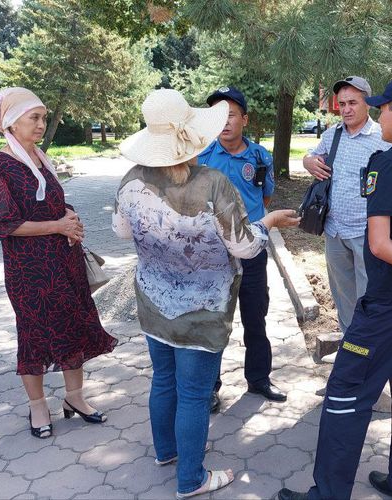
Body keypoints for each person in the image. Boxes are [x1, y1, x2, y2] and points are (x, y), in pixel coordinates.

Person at [277, 76, 392, 500]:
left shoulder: (388, 161)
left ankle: (328, 494)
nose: (379, 115)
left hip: (386, 303)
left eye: (383, 108)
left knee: (346, 390)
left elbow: (378, 243)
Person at [113, 89, 300, 498]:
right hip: (204, 308)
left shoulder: (131, 180)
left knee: (163, 380)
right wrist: (267, 222)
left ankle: (167, 453)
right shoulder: (212, 184)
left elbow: (122, 231)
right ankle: (191, 479)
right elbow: (246, 248)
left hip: (153, 299)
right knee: (194, 394)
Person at [0, 87, 117, 439]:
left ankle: (75, 398)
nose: (42, 124)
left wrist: (70, 220)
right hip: (28, 270)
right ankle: (38, 405)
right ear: (12, 123)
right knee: (34, 334)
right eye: (34, 118)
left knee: (72, 324)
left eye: (43, 117)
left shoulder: (42, 158)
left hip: (64, 261)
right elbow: (4, 223)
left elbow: (55, 204)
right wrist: (57, 226)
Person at [197, 86, 284, 410]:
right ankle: (209, 387)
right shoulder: (202, 157)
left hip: (252, 251)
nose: (225, 122)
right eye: (218, 115)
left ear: (244, 119)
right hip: (214, 254)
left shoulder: (259, 156)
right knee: (215, 321)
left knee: (255, 317)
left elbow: (264, 199)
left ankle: (259, 379)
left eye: (231, 114)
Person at [302, 76, 390, 333]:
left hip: (368, 233)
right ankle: (349, 350)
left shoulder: (382, 138)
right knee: (343, 297)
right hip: (334, 230)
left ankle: (368, 352)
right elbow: (312, 155)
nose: (346, 109)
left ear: (368, 104)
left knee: (369, 298)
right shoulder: (332, 135)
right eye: (342, 104)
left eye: (353, 102)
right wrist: (308, 161)